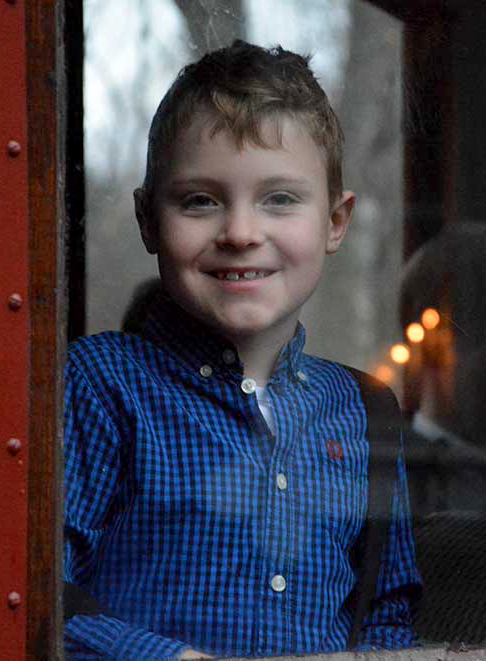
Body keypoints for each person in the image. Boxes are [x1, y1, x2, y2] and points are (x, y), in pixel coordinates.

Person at [63, 41, 421, 660]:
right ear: (149, 219)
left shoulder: (365, 412)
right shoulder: (100, 384)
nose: (240, 233)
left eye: (279, 199)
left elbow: (387, 612)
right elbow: (35, 590)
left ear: (335, 222)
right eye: (200, 201)